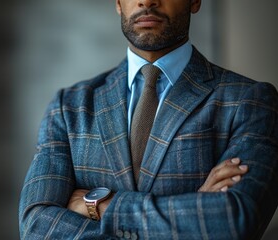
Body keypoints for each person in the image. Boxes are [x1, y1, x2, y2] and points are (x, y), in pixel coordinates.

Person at [19, 0, 278, 239]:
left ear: (195, 1)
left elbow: (235, 220)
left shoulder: (251, 101)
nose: (147, 1)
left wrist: (99, 205)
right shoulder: (69, 107)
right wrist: (190, 214)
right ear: (118, 3)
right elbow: (36, 225)